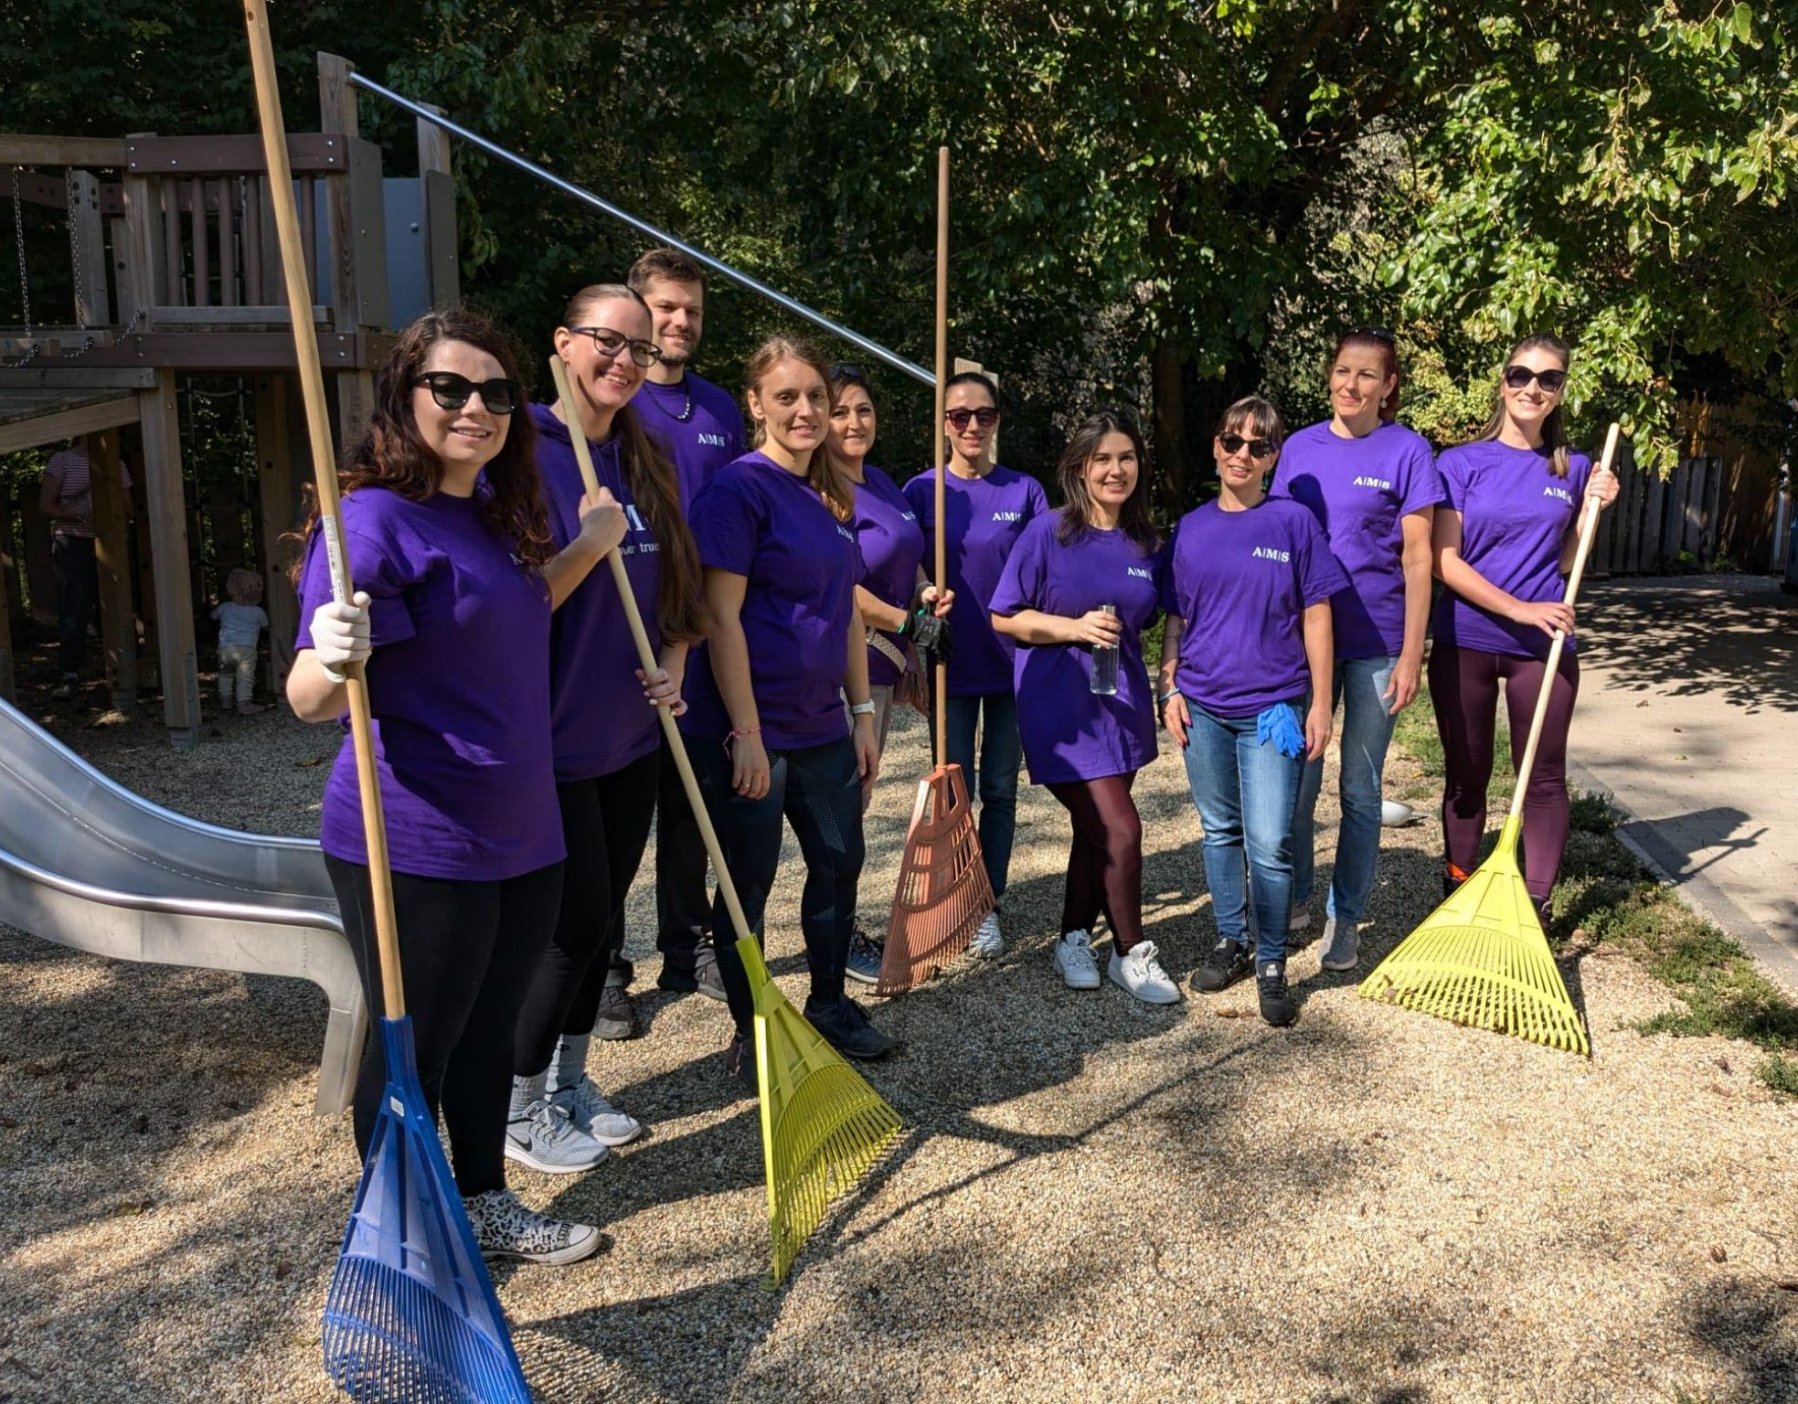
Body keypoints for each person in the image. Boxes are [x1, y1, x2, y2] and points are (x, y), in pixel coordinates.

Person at [287, 308, 625, 1265]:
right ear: (407, 397)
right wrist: (329, 654)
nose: (474, 407)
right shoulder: (367, 524)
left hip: (523, 823)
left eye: (494, 393)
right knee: (415, 1052)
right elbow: (309, 699)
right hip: (416, 834)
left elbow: (511, 617)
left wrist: (591, 545)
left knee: (488, 1035)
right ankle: (400, 1241)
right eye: (449, 388)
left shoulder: (492, 515)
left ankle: (481, 1202)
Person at [504, 283, 708, 1175]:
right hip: (551, 735)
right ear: (562, 343)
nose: (623, 360)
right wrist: (588, 543)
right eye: (606, 342)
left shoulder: (642, 452)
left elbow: (680, 591)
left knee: (604, 922)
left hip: (630, 728)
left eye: (638, 349)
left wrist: (676, 662)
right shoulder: (519, 449)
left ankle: (570, 1082)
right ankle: (516, 1104)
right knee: (573, 924)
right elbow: (507, 607)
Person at [684, 336, 889, 1086]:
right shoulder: (738, 492)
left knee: (839, 863)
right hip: (754, 732)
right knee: (748, 884)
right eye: (788, 398)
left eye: (818, 400)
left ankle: (830, 1003)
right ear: (755, 405)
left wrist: (862, 713)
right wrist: (744, 731)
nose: (806, 412)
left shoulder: (830, 497)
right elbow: (720, 618)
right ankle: (753, 1028)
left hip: (822, 727)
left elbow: (844, 617)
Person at [1159, 398, 1346, 1027]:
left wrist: (1321, 703)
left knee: (1270, 842)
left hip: (1274, 708)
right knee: (1220, 832)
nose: (1242, 454)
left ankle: (1272, 960)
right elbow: (1176, 618)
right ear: (1214, 446)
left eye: (1258, 446)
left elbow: (1318, 613)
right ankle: (1232, 939)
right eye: (1232, 441)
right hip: (1204, 707)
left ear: (1273, 457)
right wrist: (1170, 687)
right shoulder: (1188, 528)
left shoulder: (1292, 523)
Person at [1429, 333, 1619, 927]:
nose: (1532, 388)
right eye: (1520, 375)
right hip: (1467, 639)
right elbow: (1445, 560)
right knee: (1467, 772)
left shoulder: (1574, 467)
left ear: (1561, 393)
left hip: (1545, 645)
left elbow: (1565, 559)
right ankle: (1458, 884)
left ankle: (1533, 905)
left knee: (1542, 775)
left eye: (1548, 380)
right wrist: (1518, 608)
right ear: (1502, 382)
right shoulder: (1458, 463)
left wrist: (1592, 511)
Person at [990, 412, 1176, 1004]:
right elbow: (1004, 615)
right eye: (1102, 459)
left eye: (1126, 458)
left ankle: (1073, 937)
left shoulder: (1146, 543)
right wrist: (1071, 628)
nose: (1115, 469)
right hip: (1059, 710)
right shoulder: (1048, 532)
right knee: (1121, 828)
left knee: (1094, 830)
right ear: (1079, 468)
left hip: (1119, 706)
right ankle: (1130, 952)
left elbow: (1167, 615)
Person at [1272, 328, 1441, 971]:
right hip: (1304, 641)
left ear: (1388, 385)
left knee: (1361, 789)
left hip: (1377, 641)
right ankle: (1296, 897)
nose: (1351, 385)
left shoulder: (1407, 451)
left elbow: (1419, 558)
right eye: (1343, 371)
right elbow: (1278, 542)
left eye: (1367, 375)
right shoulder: (1298, 449)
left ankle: (1346, 918)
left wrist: (1412, 653)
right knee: (1298, 778)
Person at [627, 247, 747, 1007]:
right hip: (623, 632)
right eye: (666, 306)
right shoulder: (608, 402)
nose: (679, 321)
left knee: (690, 806)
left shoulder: (720, 411)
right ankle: (603, 965)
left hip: (697, 633)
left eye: (691, 310)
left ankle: (684, 944)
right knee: (611, 810)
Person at [904, 371, 1047, 958]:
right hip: (949, 663)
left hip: (1012, 664)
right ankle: (954, 899)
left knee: (1000, 790)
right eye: (958, 415)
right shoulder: (922, 491)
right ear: (943, 423)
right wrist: (921, 598)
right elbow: (902, 568)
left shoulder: (1024, 491)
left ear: (997, 422)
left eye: (983, 415)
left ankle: (987, 902)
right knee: (951, 791)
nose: (970, 426)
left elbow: (1047, 568)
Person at [826, 364, 952, 985]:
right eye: (840, 411)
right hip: (849, 669)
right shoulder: (822, 491)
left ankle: (839, 925)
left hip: (888, 662)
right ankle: (839, 934)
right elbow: (840, 586)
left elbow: (911, 554)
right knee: (845, 806)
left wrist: (928, 592)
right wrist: (907, 622)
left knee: (859, 799)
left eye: (863, 410)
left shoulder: (880, 481)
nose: (854, 423)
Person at [39, 442, 130, 698]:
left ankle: (121, 667)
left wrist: (114, 518)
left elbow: (127, 505)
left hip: (108, 541)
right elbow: (46, 505)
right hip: (73, 540)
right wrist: (73, 514)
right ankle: (70, 671)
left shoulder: (116, 462)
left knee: (115, 602)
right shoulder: (63, 460)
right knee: (74, 604)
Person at [212, 567, 269, 714]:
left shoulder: (225, 607)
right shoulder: (258, 612)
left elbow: (213, 616)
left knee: (225, 675)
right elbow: (266, 626)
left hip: (226, 648)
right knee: (245, 676)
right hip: (247, 648)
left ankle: (226, 701)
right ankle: (244, 703)